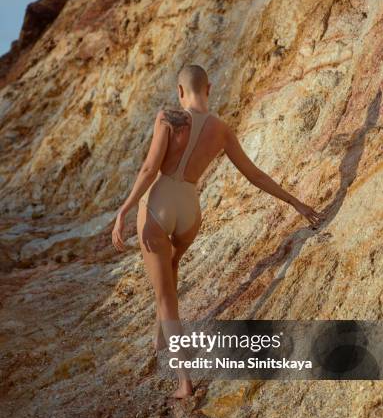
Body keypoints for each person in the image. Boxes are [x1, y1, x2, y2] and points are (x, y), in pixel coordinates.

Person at [112, 64, 325, 399]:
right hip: (190, 211)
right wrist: (295, 203)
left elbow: (149, 168)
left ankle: (184, 381)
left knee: (166, 295)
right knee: (170, 269)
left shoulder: (168, 116)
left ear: (180, 91)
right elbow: (255, 175)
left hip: (158, 206)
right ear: (208, 88)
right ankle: (159, 336)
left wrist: (124, 209)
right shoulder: (222, 129)